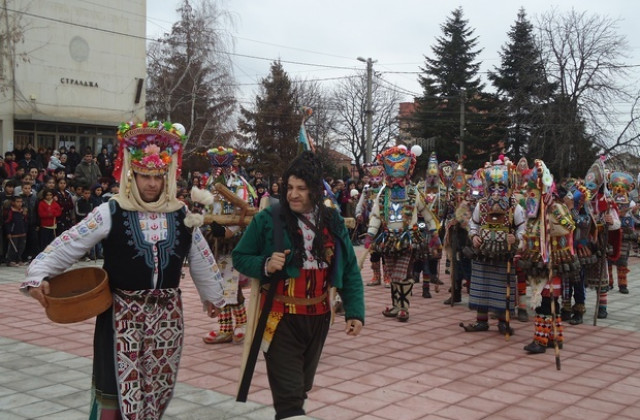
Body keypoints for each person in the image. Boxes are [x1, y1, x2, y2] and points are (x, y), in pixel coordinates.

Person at [21, 121, 227, 419]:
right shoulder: (111, 210)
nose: (152, 184)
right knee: (114, 389)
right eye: (145, 176)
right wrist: (37, 275)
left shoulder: (182, 213)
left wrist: (214, 297)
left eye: (158, 176)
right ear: (133, 174)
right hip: (120, 315)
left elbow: (201, 257)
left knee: (156, 388)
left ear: (168, 175)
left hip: (166, 317)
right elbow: (69, 243)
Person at [232, 151, 364, 419]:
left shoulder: (332, 220)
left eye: (301, 189)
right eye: (290, 187)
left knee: (300, 387)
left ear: (315, 190)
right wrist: (266, 264)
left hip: (318, 319)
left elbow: (349, 268)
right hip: (279, 319)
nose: (292, 194)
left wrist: (355, 312)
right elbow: (240, 257)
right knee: (290, 399)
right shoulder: (267, 219)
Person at [365, 145, 439, 322]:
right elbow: (376, 215)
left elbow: (427, 213)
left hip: (408, 239)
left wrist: (434, 233)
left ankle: (404, 308)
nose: (396, 177)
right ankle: (396, 305)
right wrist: (369, 234)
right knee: (392, 273)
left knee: (403, 274)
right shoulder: (383, 193)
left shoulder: (413, 192)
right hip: (388, 239)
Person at [461, 156, 526, 335]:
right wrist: (474, 236)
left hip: (504, 254)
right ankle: (481, 321)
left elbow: (523, 228)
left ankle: (503, 323)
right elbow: (473, 224)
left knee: (503, 288)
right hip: (482, 253)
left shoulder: (515, 208)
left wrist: (517, 238)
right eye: (492, 188)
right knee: (481, 285)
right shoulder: (481, 206)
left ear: (509, 187)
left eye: (501, 187)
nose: (496, 192)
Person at [4, 195, 28, 266]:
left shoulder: (23, 211)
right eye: (17, 202)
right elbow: (7, 222)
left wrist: (25, 230)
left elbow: (25, 221)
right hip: (14, 233)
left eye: (21, 202)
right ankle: (10, 260)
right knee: (13, 248)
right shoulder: (10, 211)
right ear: (13, 202)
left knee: (21, 247)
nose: (20, 203)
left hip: (22, 232)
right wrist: (8, 232)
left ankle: (19, 259)